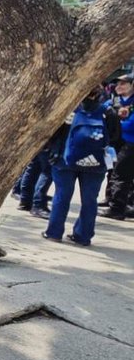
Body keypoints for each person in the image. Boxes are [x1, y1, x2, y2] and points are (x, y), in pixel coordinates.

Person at [44, 86, 119, 246]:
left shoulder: (67, 108)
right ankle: (83, 236)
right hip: (96, 163)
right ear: (99, 94)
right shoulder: (108, 112)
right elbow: (115, 136)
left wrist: (52, 150)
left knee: (61, 196)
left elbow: (51, 133)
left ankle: (54, 233)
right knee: (90, 200)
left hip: (64, 160)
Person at [102, 73, 133, 220]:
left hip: (129, 143)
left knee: (121, 175)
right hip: (115, 142)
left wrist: (119, 123)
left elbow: (130, 125)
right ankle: (112, 200)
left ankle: (117, 208)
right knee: (113, 172)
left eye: (123, 83)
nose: (119, 86)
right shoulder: (113, 100)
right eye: (118, 84)